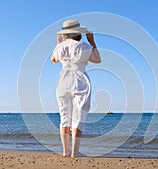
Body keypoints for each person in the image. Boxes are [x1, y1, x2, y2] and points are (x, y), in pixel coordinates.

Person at [51, 20, 101, 157]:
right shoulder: (84, 46)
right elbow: (97, 59)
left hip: (64, 81)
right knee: (79, 116)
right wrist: (92, 42)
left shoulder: (61, 47)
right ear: (78, 33)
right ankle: (75, 152)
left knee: (65, 116)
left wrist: (59, 42)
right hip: (80, 80)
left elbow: (54, 59)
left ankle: (65, 151)